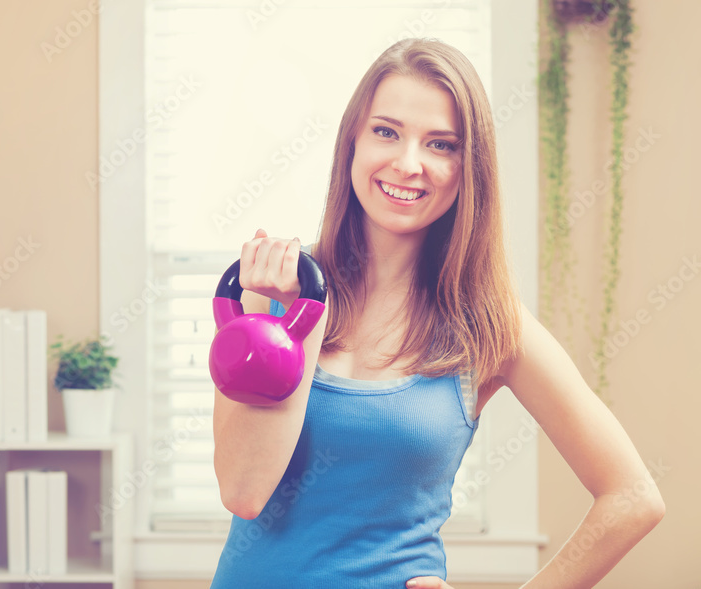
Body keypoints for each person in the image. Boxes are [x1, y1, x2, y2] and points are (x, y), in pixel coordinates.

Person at [209, 38, 665, 589]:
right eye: (386, 131)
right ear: (352, 140)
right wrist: (303, 316)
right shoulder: (273, 293)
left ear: (467, 167)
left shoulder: (492, 325)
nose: (408, 163)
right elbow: (243, 490)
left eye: (441, 144)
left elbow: (633, 497)